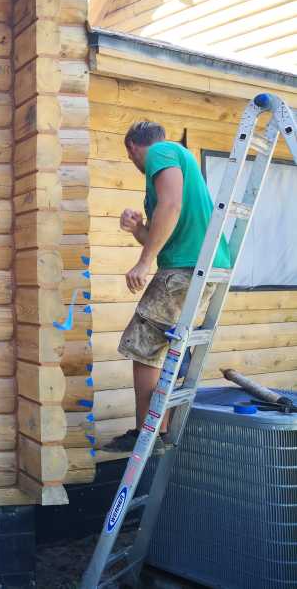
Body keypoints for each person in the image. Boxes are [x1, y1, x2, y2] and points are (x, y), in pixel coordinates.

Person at [103, 121, 231, 453]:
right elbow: (163, 235)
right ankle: (163, 429)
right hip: (198, 267)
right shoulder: (175, 165)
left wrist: (144, 263)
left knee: (141, 344)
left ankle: (148, 434)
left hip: (186, 270)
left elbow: (170, 205)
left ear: (132, 147)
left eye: (130, 155)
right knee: (170, 347)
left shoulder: (163, 151)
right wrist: (138, 229)